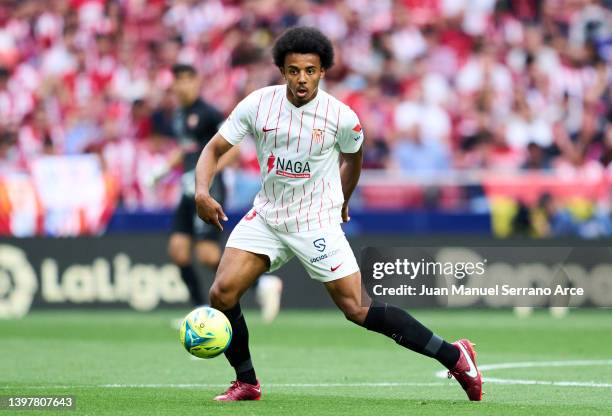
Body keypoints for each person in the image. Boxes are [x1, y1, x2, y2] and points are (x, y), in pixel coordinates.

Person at [194, 27, 483, 402]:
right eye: (294, 70)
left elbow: (354, 158)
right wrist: (201, 190)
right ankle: (247, 382)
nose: (302, 78)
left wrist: (343, 199)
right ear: (282, 70)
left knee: (357, 308)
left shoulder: (340, 116)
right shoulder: (257, 104)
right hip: (267, 216)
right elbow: (214, 149)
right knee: (222, 293)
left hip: (315, 220)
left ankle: (454, 355)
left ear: (322, 72)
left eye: (310, 70)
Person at [164, 64, 283, 321]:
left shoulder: (208, 113)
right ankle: (198, 310)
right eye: (178, 80)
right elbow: (185, 150)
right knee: (178, 250)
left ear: (197, 82)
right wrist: (162, 170)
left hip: (207, 188)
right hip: (188, 189)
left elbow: (234, 149)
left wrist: (205, 175)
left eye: (188, 79)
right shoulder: (178, 115)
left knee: (207, 255)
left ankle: (261, 285)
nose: (183, 85)